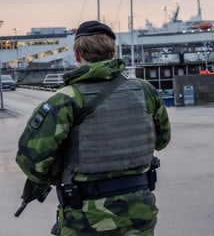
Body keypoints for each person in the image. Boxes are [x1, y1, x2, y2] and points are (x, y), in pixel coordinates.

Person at [16, 20, 171, 235]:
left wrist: (58, 169)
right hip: (140, 212)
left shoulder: (64, 101)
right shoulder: (145, 91)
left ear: (78, 55)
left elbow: (31, 161)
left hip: (85, 218)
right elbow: (162, 140)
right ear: (112, 52)